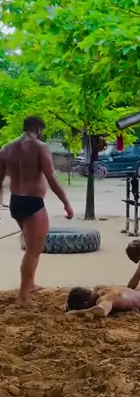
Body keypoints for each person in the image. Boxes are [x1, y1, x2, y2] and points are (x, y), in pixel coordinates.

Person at [0, 116, 74, 304]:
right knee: (33, 251)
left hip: (16, 202)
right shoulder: (40, 147)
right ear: (39, 129)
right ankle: (23, 296)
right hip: (33, 203)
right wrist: (66, 203)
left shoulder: (6, 149)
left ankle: (30, 284)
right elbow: (51, 178)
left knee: (31, 247)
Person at [65, 276, 140, 318]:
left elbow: (101, 311)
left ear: (85, 304)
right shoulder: (99, 289)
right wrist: (68, 304)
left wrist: (75, 312)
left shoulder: (105, 298)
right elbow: (85, 292)